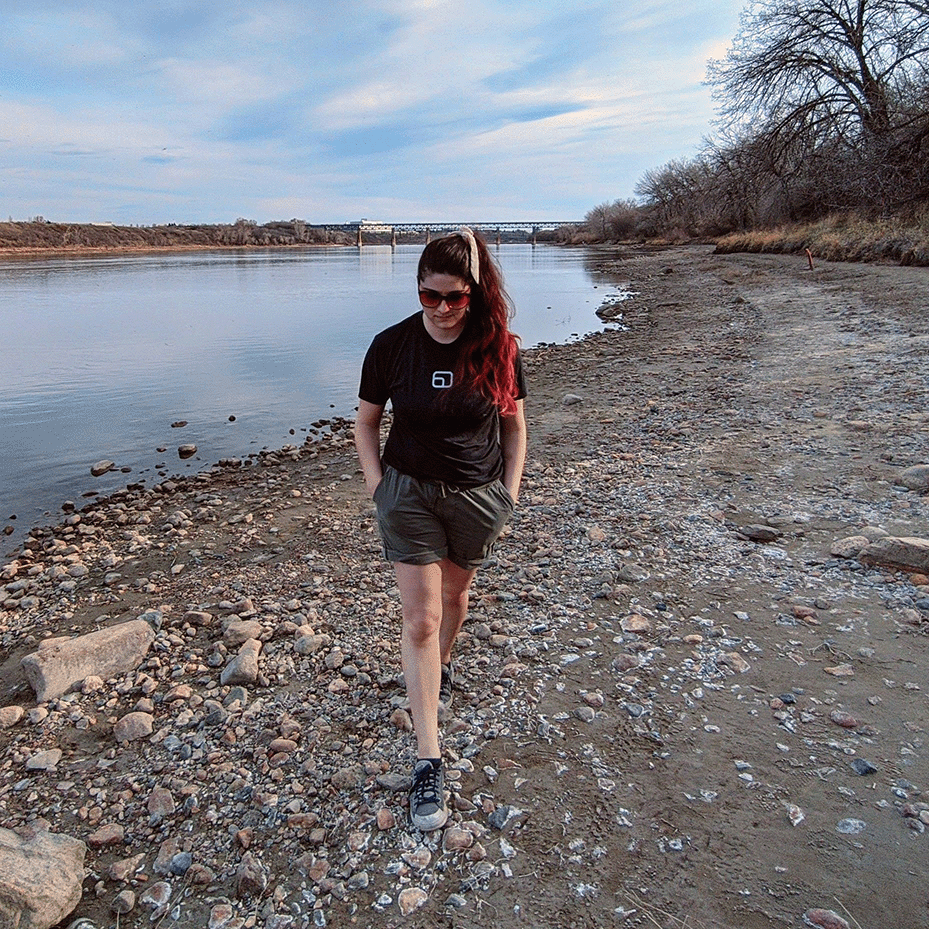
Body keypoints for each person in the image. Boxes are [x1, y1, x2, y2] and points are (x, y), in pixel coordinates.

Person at [354, 228, 527, 831]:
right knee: (421, 618)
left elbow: (513, 427)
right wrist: (380, 489)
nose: (444, 309)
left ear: (475, 293)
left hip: (477, 498)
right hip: (407, 494)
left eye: (456, 297)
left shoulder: (497, 345)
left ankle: (440, 665)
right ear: (418, 289)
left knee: (456, 599)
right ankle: (429, 755)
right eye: (432, 296)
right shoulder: (391, 346)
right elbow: (366, 423)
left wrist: (509, 492)